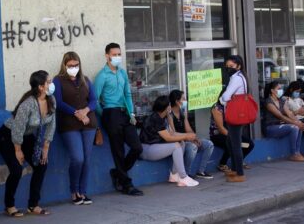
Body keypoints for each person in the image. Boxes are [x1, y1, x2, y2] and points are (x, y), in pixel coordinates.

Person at [0, 70, 56, 217]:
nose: (51, 84)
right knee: (16, 169)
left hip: (27, 136)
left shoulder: (51, 100)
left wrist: (46, 147)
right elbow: (17, 128)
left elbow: (51, 124)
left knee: (41, 165)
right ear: (40, 87)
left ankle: (33, 205)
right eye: (48, 82)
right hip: (8, 135)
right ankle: (9, 205)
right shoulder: (28, 104)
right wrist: (18, 150)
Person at [94, 43, 143, 196]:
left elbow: (128, 94)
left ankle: (118, 172)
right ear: (107, 56)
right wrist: (105, 114)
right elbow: (95, 99)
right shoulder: (102, 75)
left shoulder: (122, 73)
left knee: (137, 147)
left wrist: (132, 113)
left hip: (125, 113)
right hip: (111, 113)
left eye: (119, 54)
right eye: (114, 54)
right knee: (118, 150)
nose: (117, 57)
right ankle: (126, 184)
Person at [53, 52, 97, 205]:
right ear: (65, 66)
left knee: (87, 160)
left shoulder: (85, 80)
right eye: (70, 66)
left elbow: (93, 100)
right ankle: (74, 191)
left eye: (76, 65)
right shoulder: (57, 81)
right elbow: (57, 102)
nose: (74, 68)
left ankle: (83, 192)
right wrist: (76, 113)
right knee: (78, 158)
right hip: (69, 125)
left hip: (88, 123)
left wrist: (85, 111)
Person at [140, 95, 199, 187]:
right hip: (146, 149)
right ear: (167, 107)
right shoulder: (155, 118)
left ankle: (174, 175)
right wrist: (187, 136)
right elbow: (168, 138)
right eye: (169, 106)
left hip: (154, 146)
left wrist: (188, 136)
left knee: (181, 143)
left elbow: (172, 134)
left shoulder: (163, 117)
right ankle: (183, 177)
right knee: (176, 146)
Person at [169, 90, 214, 179]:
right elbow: (173, 134)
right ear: (177, 102)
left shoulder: (182, 113)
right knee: (192, 147)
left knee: (209, 144)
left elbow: (188, 128)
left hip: (187, 140)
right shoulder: (170, 115)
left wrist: (195, 138)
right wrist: (188, 138)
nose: (185, 100)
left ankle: (201, 171)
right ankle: (185, 173)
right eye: (183, 99)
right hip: (179, 143)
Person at [220, 55, 250, 182]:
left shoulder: (235, 79)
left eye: (231, 66)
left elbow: (225, 97)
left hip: (234, 114)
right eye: (227, 66)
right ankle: (234, 169)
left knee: (235, 144)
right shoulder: (241, 76)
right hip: (239, 113)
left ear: (238, 66)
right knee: (230, 142)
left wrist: (222, 100)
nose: (228, 68)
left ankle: (239, 173)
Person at [210, 90, 255, 172]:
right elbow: (221, 128)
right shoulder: (217, 108)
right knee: (230, 143)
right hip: (218, 135)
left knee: (249, 144)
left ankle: (239, 162)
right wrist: (234, 138)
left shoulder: (231, 106)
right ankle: (222, 164)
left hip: (231, 133)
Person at [263, 81, 304, 162]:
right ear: (272, 91)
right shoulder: (268, 102)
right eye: (279, 89)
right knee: (294, 128)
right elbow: (280, 116)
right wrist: (295, 123)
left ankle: (297, 152)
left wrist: (298, 122)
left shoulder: (281, 101)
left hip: (280, 126)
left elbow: (289, 114)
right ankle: (293, 154)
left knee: (299, 127)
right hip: (270, 128)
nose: (281, 90)